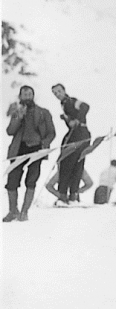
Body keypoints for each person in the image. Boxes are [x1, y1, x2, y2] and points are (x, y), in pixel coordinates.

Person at [5, 85, 56, 222]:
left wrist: (44, 144)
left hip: (36, 151)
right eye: (24, 94)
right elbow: (10, 131)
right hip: (18, 150)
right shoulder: (16, 111)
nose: (27, 97)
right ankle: (13, 211)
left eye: (29, 94)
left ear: (33, 96)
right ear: (20, 96)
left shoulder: (43, 112)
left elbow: (51, 132)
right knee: (12, 182)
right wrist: (18, 118)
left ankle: (24, 212)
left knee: (31, 181)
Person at [51, 83, 91, 202]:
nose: (57, 94)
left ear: (64, 90)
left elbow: (85, 106)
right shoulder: (64, 104)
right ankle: (71, 194)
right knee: (73, 163)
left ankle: (66, 194)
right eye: (55, 93)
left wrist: (77, 120)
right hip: (77, 134)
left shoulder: (71, 101)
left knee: (69, 162)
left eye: (59, 91)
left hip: (80, 133)